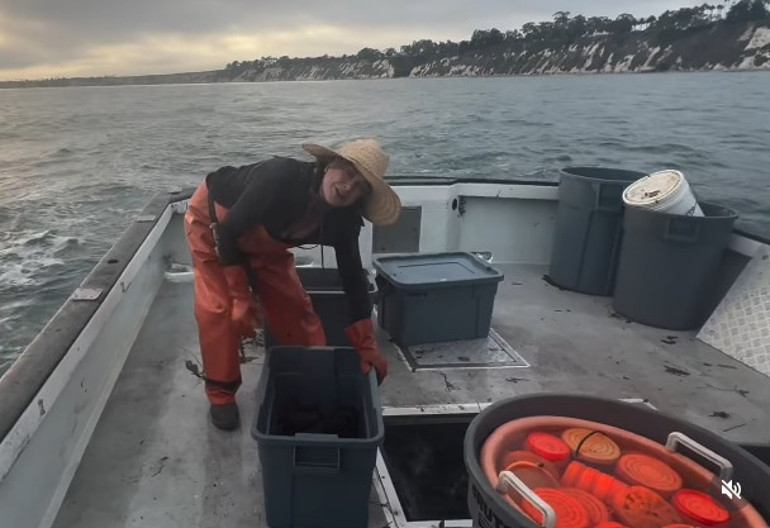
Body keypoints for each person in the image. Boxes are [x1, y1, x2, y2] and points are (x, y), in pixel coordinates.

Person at [184, 138, 401, 430]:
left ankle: (310, 383)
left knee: (298, 311)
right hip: (216, 226)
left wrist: (367, 344)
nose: (348, 186)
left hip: (264, 246)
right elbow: (229, 232)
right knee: (219, 310)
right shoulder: (280, 177)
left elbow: (353, 278)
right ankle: (221, 394)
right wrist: (239, 295)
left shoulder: (344, 221)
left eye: (360, 186)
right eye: (348, 172)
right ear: (329, 165)